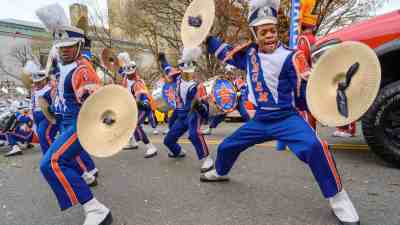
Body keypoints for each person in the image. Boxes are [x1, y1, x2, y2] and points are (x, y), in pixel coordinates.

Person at [200, 1, 360, 225]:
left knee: (316, 147)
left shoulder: (292, 57)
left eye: (272, 30)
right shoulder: (248, 55)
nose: (270, 36)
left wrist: (328, 86)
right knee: (227, 146)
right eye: (264, 32)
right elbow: (223, 51)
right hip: (260, 120)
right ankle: (220, 171)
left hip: (286, 118)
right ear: (255, 34)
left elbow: (308, 86)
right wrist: (206, 38)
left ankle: (338, 198)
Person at [39, 25, 112, 225]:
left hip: (80, 124)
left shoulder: (82, 69)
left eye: (69, 46)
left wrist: (93, 99)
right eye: (61, 46)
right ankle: (87, 180)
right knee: (66, 161)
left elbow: (93, 99)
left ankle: (96, 209)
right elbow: (59, 93)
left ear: (79, 45)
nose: (64, 49)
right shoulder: (63, 67)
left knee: (51, 163)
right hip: (66, 122)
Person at [159, 51, 214, 173]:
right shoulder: (176, 77)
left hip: (193, 113)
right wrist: (162, 59)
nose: (187, 70)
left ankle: (207, 159)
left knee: (194, 134)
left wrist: (200, 106)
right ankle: (178, 151)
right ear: (180, 67)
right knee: (168, 140)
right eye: (184, 66)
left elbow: (205, 108)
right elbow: (167, 67)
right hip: (181, 115)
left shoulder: (199, 86)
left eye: (190, 66)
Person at [121, 61, 158, 158]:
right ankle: (132, 142)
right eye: (128, 74)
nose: (130, 76)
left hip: (143, 106)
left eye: (131, 73)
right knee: (127, 123)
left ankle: (151, 147)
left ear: (135, 71)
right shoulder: (125, 79)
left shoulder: (138, 83)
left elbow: (138, 99)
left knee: (134, 124)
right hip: (133, 105)